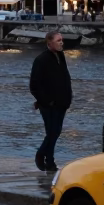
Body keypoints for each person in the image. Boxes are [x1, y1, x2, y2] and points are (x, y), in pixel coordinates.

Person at [29, 30, 72, 173]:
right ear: (49, 43)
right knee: (52, 132)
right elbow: (34, 85)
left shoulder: (60, 56)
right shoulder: (41, 60)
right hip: (49, 105)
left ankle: (49, 162)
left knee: (55, 132)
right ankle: (42, 156)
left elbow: (64, 77)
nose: (61, 42)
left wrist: (68, 97)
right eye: (58, 40)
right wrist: (47, 101)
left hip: (62, 103)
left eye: (62, 40)